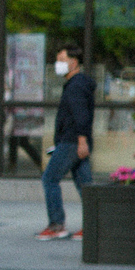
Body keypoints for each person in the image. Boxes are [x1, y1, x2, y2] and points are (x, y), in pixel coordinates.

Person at [38, 42, 95, 239]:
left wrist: (81, 141)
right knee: (85, 186)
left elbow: (81, 115)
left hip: (72, 141)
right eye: (57, 60)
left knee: (50, 179)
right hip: (75, 141)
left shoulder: (76, 86)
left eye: (62, 60)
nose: (58, 64)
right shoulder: (76, 84)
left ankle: (56, 225)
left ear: (74, 62)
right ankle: (93, 226)